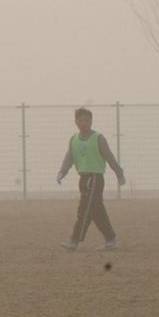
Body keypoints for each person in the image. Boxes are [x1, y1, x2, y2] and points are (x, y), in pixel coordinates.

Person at [56, 107, 126, 251]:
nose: (84, 123)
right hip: (83, 179)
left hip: (95, 179)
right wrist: (62, 172)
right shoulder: (74, 140)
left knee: (84, 209)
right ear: (76, 121)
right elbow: (69, 158)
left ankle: (74, 240)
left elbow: (109, 157)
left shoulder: (99, 138)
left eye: (87, 120)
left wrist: (119, 173)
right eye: (81, 120)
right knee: (96, 210)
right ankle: (111, 239)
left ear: (91, 121)